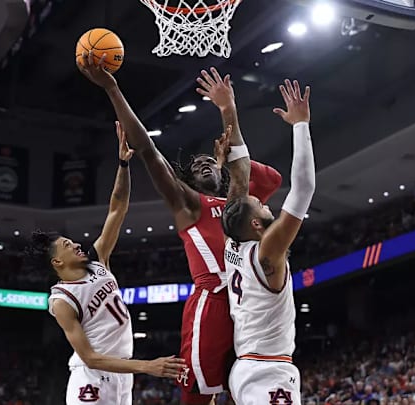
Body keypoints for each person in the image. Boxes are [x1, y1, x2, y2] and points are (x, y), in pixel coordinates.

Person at [78, 52, 282, 405]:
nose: (204, 164)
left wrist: (228, 108)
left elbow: (242, 170)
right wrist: (112, 88)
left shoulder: (236, 204)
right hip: (213, 299)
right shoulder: (189, 205)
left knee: (250, 387)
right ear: (187, 181)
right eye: (198, 165)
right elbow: (147, 148)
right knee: (197, 393)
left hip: (250, 300)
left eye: (210, 162)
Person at [26, 122, 184, 405]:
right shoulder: (62, 300)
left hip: (122, 373)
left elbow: (117, 207)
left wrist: (123, 165)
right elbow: (90, 357)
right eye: (67, 245)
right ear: (57, 261)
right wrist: (148, 366)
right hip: (92, 378)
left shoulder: (98, 260)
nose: (75, 244)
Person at [221, 79, 316, 405]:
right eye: (262, 205)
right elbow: (302, 190)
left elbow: (238, 179)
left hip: (248, 365)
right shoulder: (267, 254)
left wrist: (228, 111)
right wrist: (301, 125)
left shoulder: (231, 246)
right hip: (267, 369)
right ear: (258, 224)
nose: (267, 204)